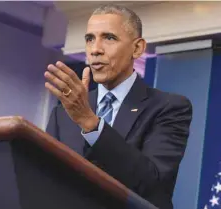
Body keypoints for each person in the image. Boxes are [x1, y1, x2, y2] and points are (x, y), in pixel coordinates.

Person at [44, 4, 192, 209]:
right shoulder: (62, 114)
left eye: (109, 38)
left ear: (137, 48)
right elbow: (44, 181)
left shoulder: (170, 107)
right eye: (90, 39)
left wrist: (90, 123)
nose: (95, 50)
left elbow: (153, 184)